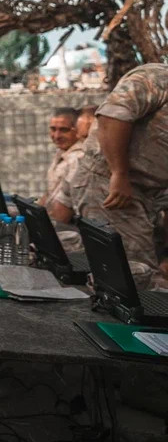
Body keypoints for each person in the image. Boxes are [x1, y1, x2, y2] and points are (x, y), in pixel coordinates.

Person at [50, 65, 168, 288]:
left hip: (152, 190)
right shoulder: (158, 78)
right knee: (133, 273)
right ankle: (121, 322)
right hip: (112, 184)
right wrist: (119, 173)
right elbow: (112, 117)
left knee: (132, 274)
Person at [40, 107, 82, 206]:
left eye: (64, 130)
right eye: (53, 129)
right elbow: (49, 195)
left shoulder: (78, 158)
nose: (56, 136)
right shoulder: (62, 152)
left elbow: (62, 206)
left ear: (78, 130)